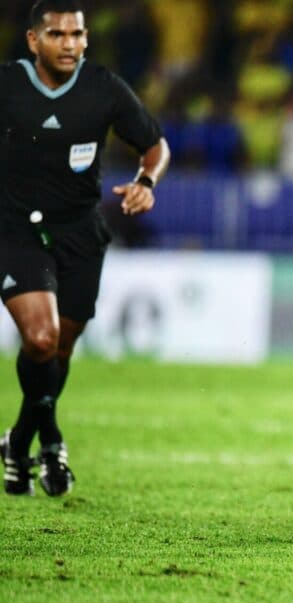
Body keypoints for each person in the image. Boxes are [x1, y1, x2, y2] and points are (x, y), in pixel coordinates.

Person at [0, 0, 169, 497]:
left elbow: (155, 145)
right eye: (57, 35)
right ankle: (49, 440)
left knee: (61, 350)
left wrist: (146, 180)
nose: (69, 44)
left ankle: (23, 440)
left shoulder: (102, 87)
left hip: (80, 233)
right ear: (34, 40)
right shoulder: (7, 84)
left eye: (77, 34)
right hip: (16, 231)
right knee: (41, 339)